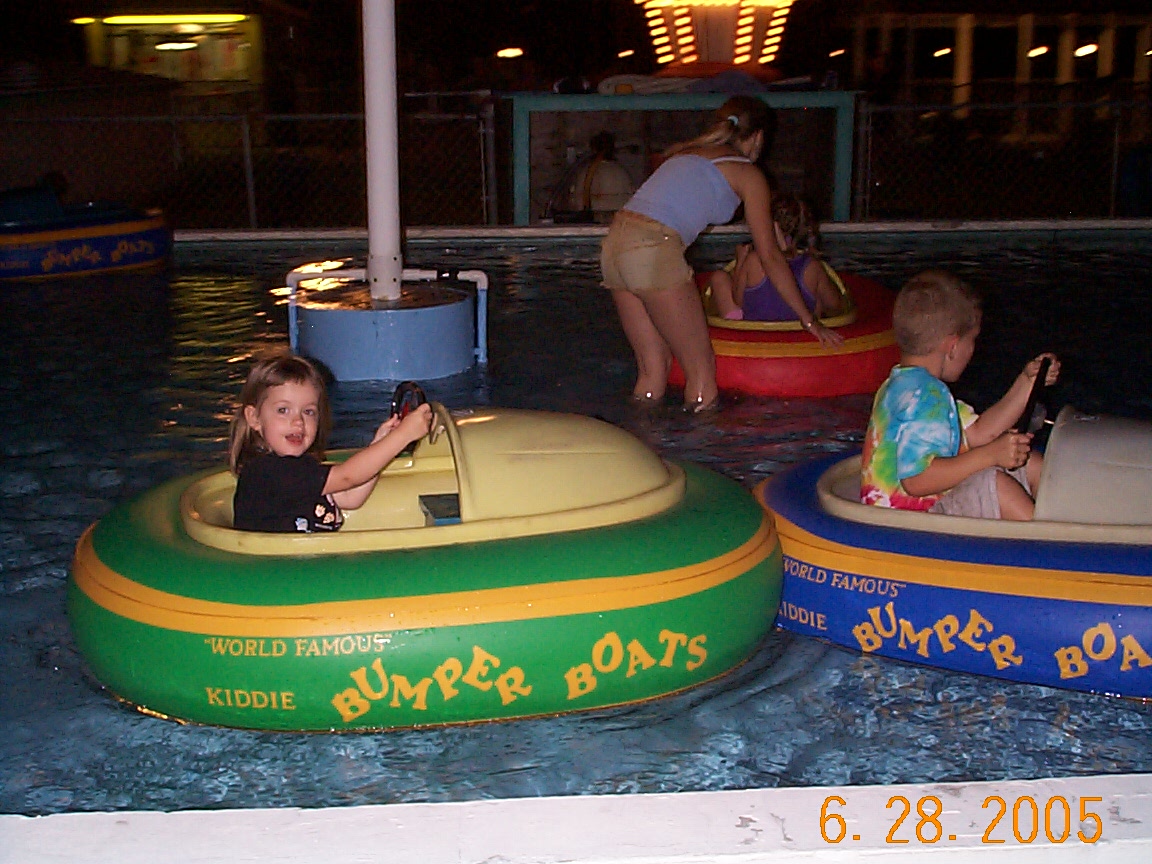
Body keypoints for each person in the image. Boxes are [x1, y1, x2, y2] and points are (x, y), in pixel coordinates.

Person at [600, 95, 842, 413]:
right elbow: (770, 256)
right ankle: (702, 442)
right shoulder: (748, 174)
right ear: (758, 137)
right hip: (652, 248)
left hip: (614, 246)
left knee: (652, 367)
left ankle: (639, 437)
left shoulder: (686, 154)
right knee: (701, 374)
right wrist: (809, 321)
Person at [859, 270, 1060, 521]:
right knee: (996, 486)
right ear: (953, 346)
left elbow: (982, 432)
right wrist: (991, 455)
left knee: (1030, 463)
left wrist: (1027, 382)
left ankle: (1060, 527)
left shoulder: (904, 386)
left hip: (919, 511)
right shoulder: (926, 396)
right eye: (972, 340)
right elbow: (917, 480)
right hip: (908, 522)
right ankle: (1050, 541)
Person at [228, 351, 432, 533]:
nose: (298, 421)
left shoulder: (298, 468)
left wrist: (381, 442)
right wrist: (403, 435)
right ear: (254, 418)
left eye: (308, 412)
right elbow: (347, 477)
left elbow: (350, 497)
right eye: (283, 410)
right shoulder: (268, 473)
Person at [708, 193, 847, 322]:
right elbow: (835, 305)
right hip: (798, 333)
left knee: (719, 277)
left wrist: (740, 262)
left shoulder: (753, 260)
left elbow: (738, 301)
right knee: (818, 298)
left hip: (756, 334)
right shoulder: (813, 267)